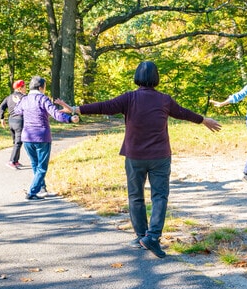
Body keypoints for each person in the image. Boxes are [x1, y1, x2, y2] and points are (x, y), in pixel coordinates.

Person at [68, 61, 221, 258]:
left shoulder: (129, 98)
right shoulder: (164, 100)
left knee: (135, 196)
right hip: (160, 157)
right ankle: (151, 237)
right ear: (156, 78)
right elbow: (183, 113)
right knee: (159, 196)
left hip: (135, 157)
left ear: (137, 76)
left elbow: (104, 106)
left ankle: (142, 236)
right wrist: (203, 120)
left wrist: (76, 109)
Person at [12, 76, 79, 200]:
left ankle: (42, 189)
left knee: (35, 164)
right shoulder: (42, 99)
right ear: (41, 87)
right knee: (42, 167)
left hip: (27, 137)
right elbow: (55, 113)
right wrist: (69, 118)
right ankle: (32, 192)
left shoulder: (24, 100)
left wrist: (19, 102)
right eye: (45, 87)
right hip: (41, 136)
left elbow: (17, 111)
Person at [0, 79, 27, 169]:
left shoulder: (9, 97)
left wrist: (2, 118)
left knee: (15, 142)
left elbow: (1, 107)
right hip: (20, 121)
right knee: (18, 142)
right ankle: (11, 161)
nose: (26, 88)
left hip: (11, 121)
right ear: (20, 88)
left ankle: (16, 161)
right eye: (25, 87)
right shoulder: (24, 97)